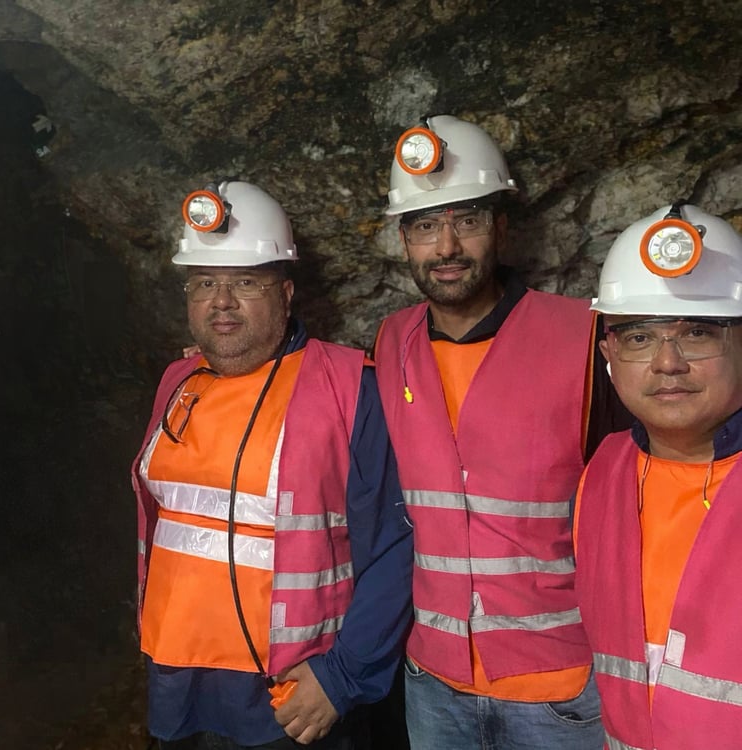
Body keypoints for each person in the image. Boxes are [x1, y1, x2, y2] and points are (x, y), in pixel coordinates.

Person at [372, 114, 631, 749]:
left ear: (502, 228)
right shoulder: (390, 342)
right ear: (404, 240)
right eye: (425, 226)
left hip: (560, 689)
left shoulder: (584, 338)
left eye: (468, 220)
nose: (447, 247)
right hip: (434, 684)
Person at [131, 179, 414, 749]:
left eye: (245, 282)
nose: (221, 301)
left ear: (285, 294)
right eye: (204, 282)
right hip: (177, 681)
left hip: (289, 697)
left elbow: (397, 545)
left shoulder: (348, 388)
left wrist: (341, 678)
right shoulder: (177, 381)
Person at [574, 203, 742, 749]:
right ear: (609, 353)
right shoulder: (604, 472)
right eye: (640, 337)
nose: (669, 362)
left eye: (698, 332)